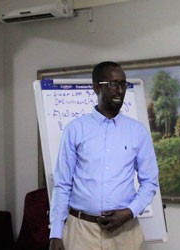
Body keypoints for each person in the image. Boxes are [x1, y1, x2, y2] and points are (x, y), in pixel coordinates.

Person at [49, 61, 159, 250]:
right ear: (96, 88)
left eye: (123, 84)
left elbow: (150, 182)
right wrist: (56, 233)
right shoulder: (75, 130)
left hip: (125, 231)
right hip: (81, 230)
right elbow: (63, 184)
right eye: (113, 84)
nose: (120, 90)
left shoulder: (137, 132)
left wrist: (129, 212)